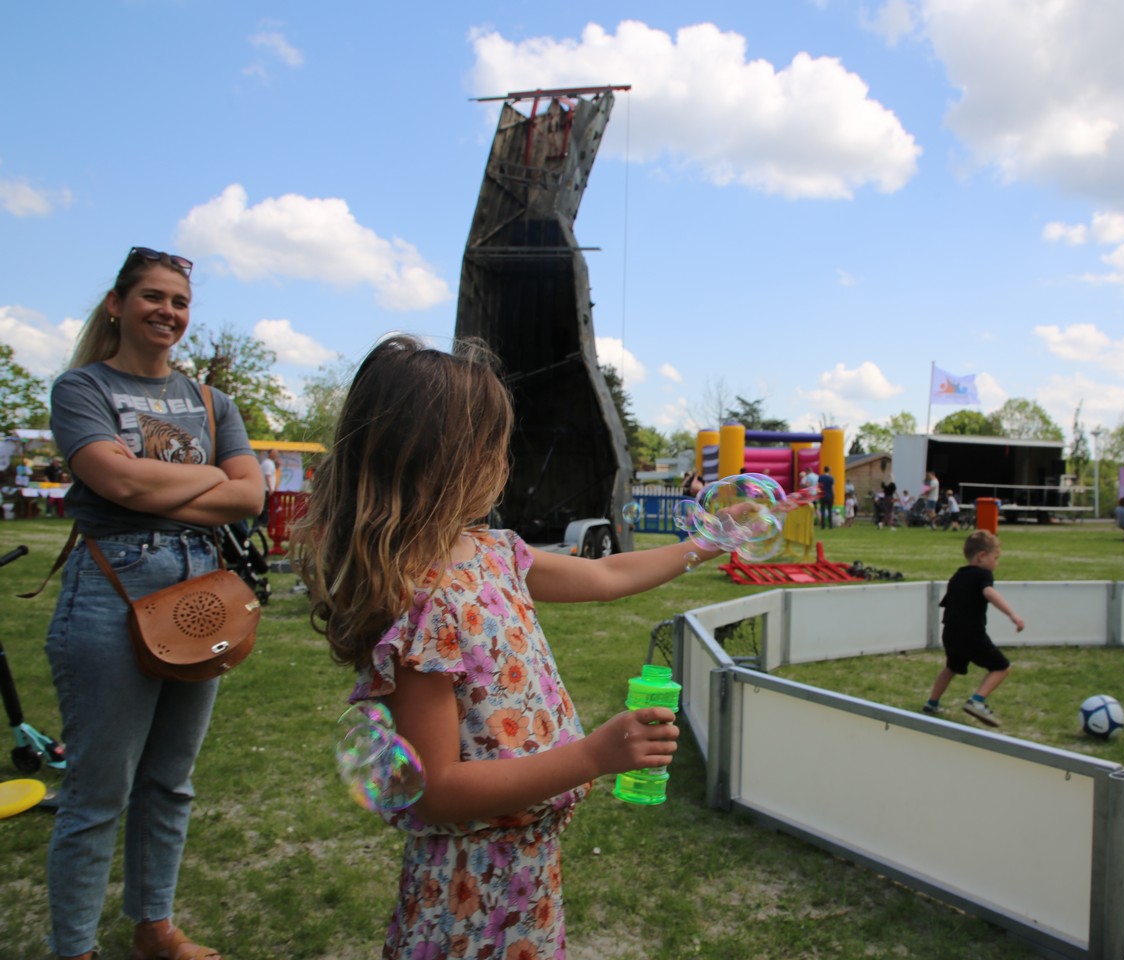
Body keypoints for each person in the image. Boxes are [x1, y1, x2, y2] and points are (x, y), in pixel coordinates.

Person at [293, 335, 731, 960]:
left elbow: (607, 576)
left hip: (526, 865)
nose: (504, 461)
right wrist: (593, 755)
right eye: (492, 445)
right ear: (442, 460)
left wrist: (710, 542)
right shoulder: (423, 605)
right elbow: (437, 790)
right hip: (467, 885)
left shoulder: (496, 552)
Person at [43, 246, 264, 960]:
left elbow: (250, 496)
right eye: (153, 297)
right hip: (111, 589)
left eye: (180, 302)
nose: (168, 312)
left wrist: (150, 484)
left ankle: (155, 929)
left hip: (199, 589)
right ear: (117, 304)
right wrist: (206, 479)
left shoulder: (212, 402)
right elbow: (119, 484)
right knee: (97, 792)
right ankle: (75, 948)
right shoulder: (83, 389)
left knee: (170, 781)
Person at [922, 530, 1024, 727]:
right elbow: (989, 593)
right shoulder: (983, 575)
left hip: (950, 632)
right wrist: (1012, 614)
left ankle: (931, 703)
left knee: (952, 667)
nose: (997, 564)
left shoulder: (957, 576)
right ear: (982, 556)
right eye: (996, 558)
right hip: (971, 634)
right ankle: (977, 701)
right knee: (1001, 667)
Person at [817, 465, 836, 529]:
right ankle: (830, 525)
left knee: (822, 510)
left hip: (822, 495)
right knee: (830, 510)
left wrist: (819, 494)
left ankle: (823, 525)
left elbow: (819, 486)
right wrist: (834, 496)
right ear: (829, 470)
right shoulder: (831, 478)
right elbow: (833, 488)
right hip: (829, 495)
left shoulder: (820, 477)